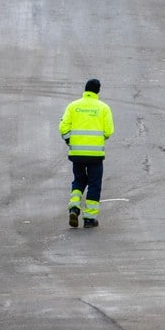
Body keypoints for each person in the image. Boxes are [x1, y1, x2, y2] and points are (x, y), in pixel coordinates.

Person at [59, 78, 114, 229]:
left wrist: (69, 140)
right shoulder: (103, 108)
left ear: (85, 90)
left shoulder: (73, 106)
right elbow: (109, 131)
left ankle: (74, 208)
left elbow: (63, 128)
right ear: (98, 91)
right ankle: (89, 219)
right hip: (95, 156)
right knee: (94, 184)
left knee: (79, 180)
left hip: (77, 154)